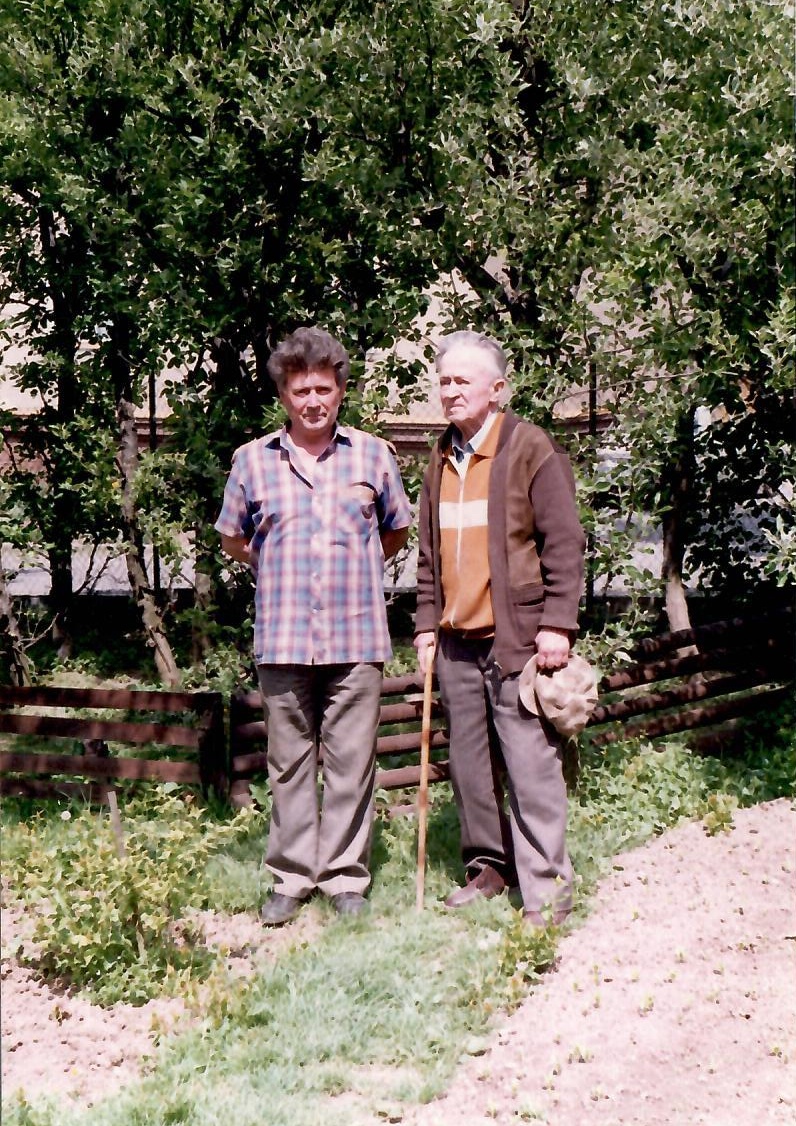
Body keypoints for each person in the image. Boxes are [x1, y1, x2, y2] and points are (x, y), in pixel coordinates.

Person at [215, 327, 411, 926]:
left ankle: (345, 878)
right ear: (284, 396)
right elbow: (232, 538)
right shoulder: (252, 460)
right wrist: (276, 566)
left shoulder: (373, 456)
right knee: (289, 763)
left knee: (352, 762)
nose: (313, 401)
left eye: (323, 389)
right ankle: (292, 877)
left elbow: (396, 530)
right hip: (283, 637)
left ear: (340, 391)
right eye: (301, 391)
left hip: (356, 636)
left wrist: (354, 565)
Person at [413, 330, 585, 928]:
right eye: (444, 381)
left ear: (498, 388)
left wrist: (558, 622)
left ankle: (547, 893)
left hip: (517, 640)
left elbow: (564, 541)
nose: (450, 391)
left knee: (531, 768)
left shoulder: (529, 447)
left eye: (463, 380)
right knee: (470, 768)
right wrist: (425, 626)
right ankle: (489, 869)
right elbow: (429, 555)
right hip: (456, 642)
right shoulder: (440, 456)